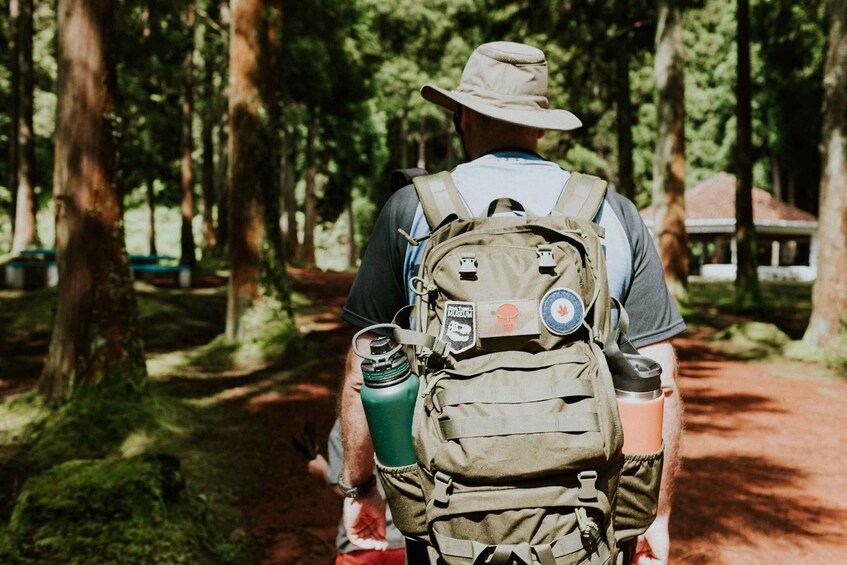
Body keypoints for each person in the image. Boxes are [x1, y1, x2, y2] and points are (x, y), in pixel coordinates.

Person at [338, 41, 685, 565]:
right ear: (542, 126)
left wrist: (358, 486)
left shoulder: (411, 209)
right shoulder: (610, 211)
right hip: (584, 518)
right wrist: (654, 513)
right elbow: (660, 378)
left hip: (444, 516)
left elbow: (367, 367)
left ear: (461, 115)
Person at [306, 419, 407, 565]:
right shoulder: (413, 411)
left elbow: (346, 489)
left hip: (360, 540)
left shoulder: (347, 421)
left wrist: (322, 469)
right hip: (407, 540)